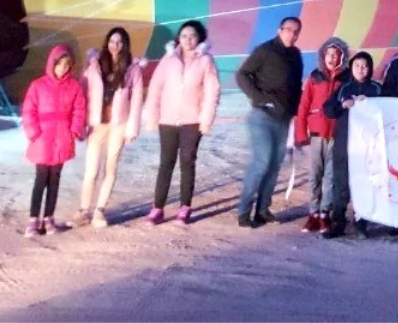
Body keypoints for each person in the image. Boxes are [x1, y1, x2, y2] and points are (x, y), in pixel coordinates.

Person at [143, 20, 220, 226]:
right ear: (178, 38)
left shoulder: (206, 60)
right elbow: (155, 88)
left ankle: (185, 207)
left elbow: (212, 92)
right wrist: (152, 116)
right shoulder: (168, 59)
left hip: (192, 120)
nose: (188, 40)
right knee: (166, 163)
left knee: (187, 161)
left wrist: (206, 119)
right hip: (168, 119)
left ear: (200, 38)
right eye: (184, 35)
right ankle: (157, 208)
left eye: (193, 36)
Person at [236, 16, 303, 228]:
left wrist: (298, 111)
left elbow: (295, 87)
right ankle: (244, 212)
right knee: (262, 162)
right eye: (289, 29)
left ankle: (263, 210)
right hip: (262, 117)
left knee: (274, 166)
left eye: (296, 31)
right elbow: (242, 75)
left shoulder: (296, 55)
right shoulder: (265, 51)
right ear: (279, 29)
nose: (292, 34)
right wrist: (260, 98)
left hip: (284, 119)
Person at [74, 27, 145, 228]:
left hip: (119, 125)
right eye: (113, 41)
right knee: (91, 170)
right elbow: (82, 93)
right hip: (97, 124)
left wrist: (132, 129)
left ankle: (99, 210)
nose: (116, 45)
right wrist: (80, 123)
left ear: (125, 45)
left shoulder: (133, 69)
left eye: (120, 42)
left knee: (110, 168)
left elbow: (137, 100)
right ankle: (83, 209)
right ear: (107, 43)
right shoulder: (94, 66)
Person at [21, 45, 86, 237]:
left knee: (55, 180)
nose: (63, 69)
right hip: (43, 139)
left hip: (62, 138)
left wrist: (74, 129)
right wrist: (33, 132)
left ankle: (49, 218)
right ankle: (34, 219)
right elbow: (28, 110)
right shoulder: (38, 85)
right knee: (41, 179)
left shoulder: (73, 86)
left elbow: (79, 109)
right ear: (52, 64)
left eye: (67, 65)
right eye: (60, 64)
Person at [322, 51, 382, 240]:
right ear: (351, 68)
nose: (361, 69)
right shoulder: (343, 89)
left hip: (369, 147)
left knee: (365, 183)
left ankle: (362, 222)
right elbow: (328, 110)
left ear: (370, 68)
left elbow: (391, 110)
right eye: (357, 66)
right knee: (341, 183)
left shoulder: (378, 89)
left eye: (365, 66)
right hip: (345, 144)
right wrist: (342, 105)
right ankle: (338, 222)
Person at [294, 36, 349, 233]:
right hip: (316, 134)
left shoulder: (346, 79)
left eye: (336, 54)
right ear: (323, 56)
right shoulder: (314, 77)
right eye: (329, 54)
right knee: (315, 175)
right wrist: (301, 133)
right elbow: (304, 105)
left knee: (330, 177)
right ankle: (313, 213)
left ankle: (325, 213)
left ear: (342, 56)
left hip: (336, 134)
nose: (332, 58)